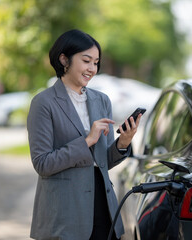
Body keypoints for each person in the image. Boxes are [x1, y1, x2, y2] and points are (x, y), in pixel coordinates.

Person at [27, 29, 142, 240]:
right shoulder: (43, 103)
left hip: (102, 207)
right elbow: (42, 163)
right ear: (64, 59)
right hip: (64, 214)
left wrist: (123, 142)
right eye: (86, 60)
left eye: (96, 62)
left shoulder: (102, 101)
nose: (92, 68)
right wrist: (87, 140)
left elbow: (103, 161)